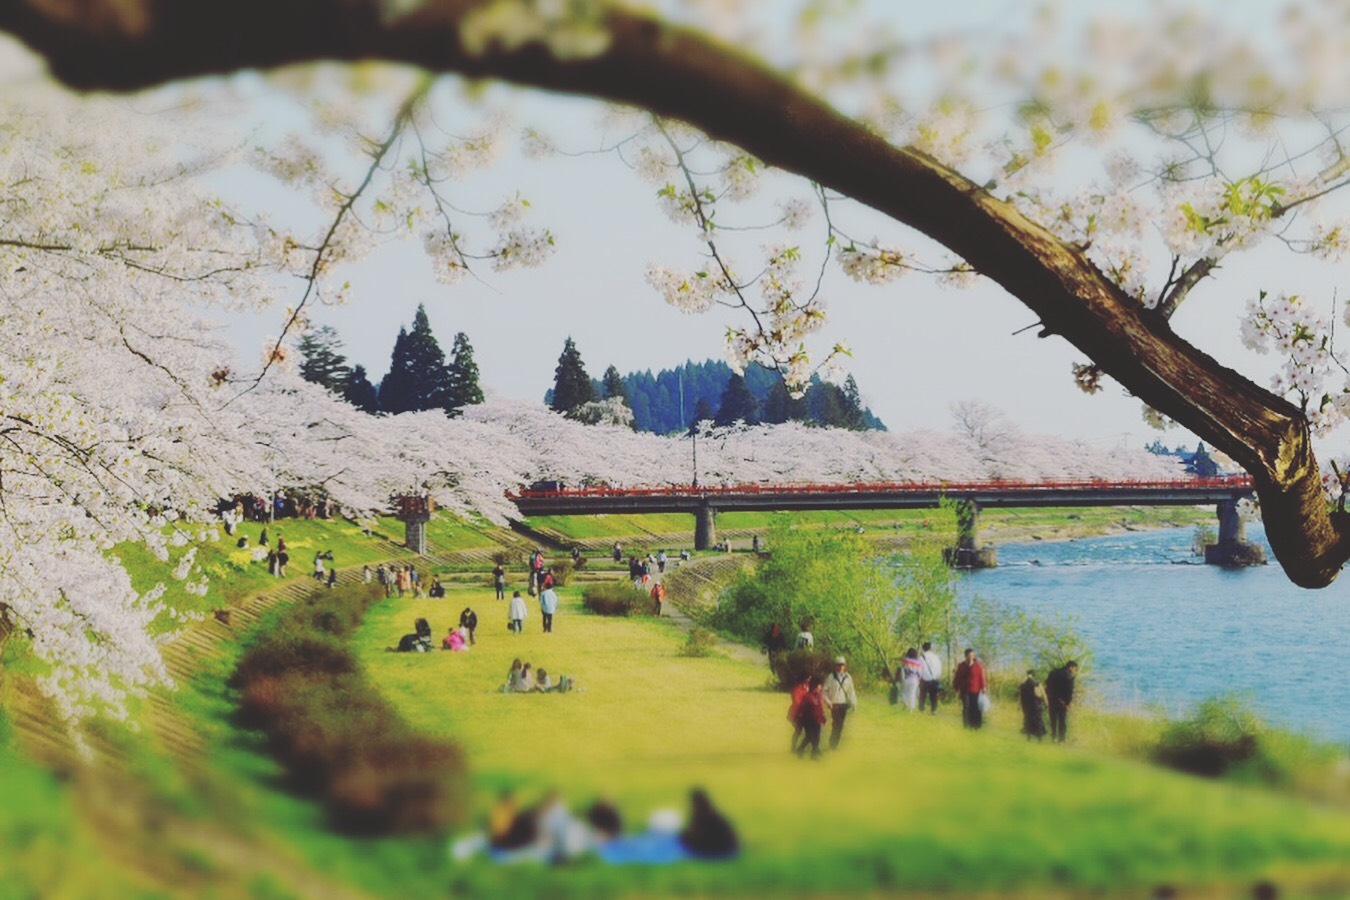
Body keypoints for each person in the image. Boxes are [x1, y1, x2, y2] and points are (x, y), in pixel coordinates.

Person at [678, 789, 739, 859]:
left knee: (682, 837)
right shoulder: (716, 815)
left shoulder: (701, 818)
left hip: (715, 850)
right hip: (728, 849)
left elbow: (696, 837)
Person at [822, 656, 858, 750]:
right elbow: (824, 691)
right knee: (836, 724)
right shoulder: (831, 677)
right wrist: (828, 702)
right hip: (834, 704)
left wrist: (854, 703)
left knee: (840, 725)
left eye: (842, 665)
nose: (840, 667)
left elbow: (851, 691)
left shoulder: (848, 677)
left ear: (845, 666)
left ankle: (834, 743)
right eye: (838, 665)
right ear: (835, 666)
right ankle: (832, 744)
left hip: (843, 704)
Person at [793, 675, 827, 759]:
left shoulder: (819, 695)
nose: (820, 687)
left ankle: (813, 753)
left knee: (817, 737)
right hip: (808, 720)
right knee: (810, 736)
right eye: (819, 685)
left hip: (817, 720)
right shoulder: (807, 696)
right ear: (815, 685)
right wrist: (798, 718)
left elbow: (820, 707)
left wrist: (823, 716)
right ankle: (801, 750)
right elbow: (802, 708)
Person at [1045, 660, 1079, 743]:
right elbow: (1069, 691)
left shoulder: (1053, 672)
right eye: (1074, 669)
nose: (1074, 671)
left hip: (1052, 699)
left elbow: (1047, 683)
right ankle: (1061, 739)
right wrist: (1067, 703)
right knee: (1062, 721)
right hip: (1062, 702)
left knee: (1053, 719)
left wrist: (1049, 695)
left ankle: (1053, 737)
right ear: (1071, 667)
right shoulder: (1068, 677)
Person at [953, 648, 987, 730]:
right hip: (965, 690)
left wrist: (983, 687)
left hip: (975, 690)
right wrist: (956, 687)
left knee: (975, 707)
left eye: (972, 655)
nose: (971, 657)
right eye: (969, 655)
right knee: (966, 707)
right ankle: (966, 725)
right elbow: (957, 677)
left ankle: (975, 725)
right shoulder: (962, 666)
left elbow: (981, 677)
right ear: (965, 656)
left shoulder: (978, 666)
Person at [1020, 669, 1048, 741]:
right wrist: (1046, 702)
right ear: (1034, 675)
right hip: (1035, 704)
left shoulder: (1023, 684)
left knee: (1028, 719)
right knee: (1038, 719)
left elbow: (1021, 696)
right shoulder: (1036, 683)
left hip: (1026, 705)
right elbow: (1039, 694)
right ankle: (1039, 738)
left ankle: (1028, 737)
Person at [786, 672, 811, 753]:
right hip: (798, 713)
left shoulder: (808, 687)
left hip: (806, 713)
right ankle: (794, 748)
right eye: (808, 678)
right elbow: (797, 702)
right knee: (798, 731)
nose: (809, 680)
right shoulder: (797, 689)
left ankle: (801, 748)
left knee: (805, 732)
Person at [918, 642, 943, 714]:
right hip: (934, 678)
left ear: (923, 648)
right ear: (930, 648)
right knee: (933, 695)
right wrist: (937, 675)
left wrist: (920, 677)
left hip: (924, 678)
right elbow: (939, 666)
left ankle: (921, 709)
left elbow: (920, 668)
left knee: (922, 694)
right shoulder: (935, 657)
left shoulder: (921, 657)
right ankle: (934, 709)